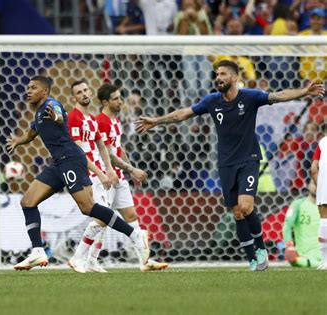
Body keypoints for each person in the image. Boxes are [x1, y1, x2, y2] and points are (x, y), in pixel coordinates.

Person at [136, 60, 325, 271]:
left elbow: (278, 95)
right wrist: (157, 121)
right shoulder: (212, 101)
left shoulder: (250, 97)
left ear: (234, 77)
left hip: (248, 159)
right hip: (226, 163)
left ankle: (261, 248)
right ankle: (252, 259)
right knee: (236, 212)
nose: (219, 77)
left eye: (223, 73)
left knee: (246, 206)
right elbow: (184, 113)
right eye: (217, 74)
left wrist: (303, 92)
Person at [6, 76, 149, 271]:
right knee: (27, 202)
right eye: (28, 87)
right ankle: (38, 251)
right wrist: (17, 141)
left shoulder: (51, 104)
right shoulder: (39, 114)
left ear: (45, 91)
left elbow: (58, 115)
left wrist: (56, 117)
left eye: (33, 87)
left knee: (88, 207)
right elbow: (31, 135)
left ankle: (135, 236)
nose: (28, 90)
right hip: (57, 164)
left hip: (72, 159)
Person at [67, 80, 166, 272]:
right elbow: (101, 153)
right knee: (102, 219)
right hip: (101, 176)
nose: (121, 102)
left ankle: (143, 261)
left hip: (115, 175)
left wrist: (129, 169)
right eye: (116, 99)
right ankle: (79, 257)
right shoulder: (99, 121)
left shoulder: (110, 121)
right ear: (105, 102)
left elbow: (116, 149)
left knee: (130, 215)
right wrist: (116, 171)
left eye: (86, 90)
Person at [282, 180, 321, 268]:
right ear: (308, 185)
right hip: (304, 257)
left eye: (320, 184)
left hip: (323, 256)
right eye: (314, 183)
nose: (317, 186)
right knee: (294, 260)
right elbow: (287, 226)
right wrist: (289, 246)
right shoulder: (298, 204)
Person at [311, 129, 327, 270]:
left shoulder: (322, 142)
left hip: (325, 182)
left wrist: (320, 185)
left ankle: (324, 262)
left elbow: (313, 169)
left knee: (324, 218)